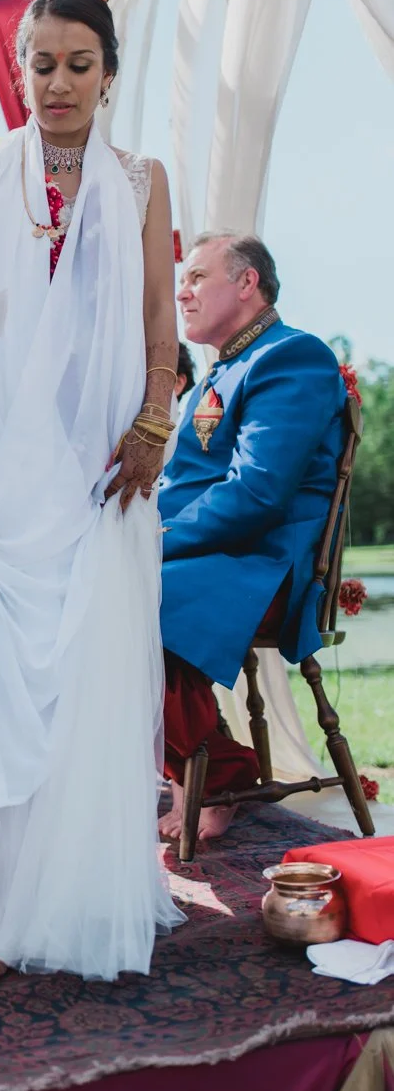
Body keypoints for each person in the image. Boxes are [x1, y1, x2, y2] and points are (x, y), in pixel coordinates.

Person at [0, 0, 185, 983]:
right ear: (16, 72)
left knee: (84, 682)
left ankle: (63, 901)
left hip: (102, 471)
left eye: (76, 63)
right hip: (1, 474)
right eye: (39, 65)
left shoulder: (141, 182)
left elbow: (158, 319)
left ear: (107, 73)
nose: (56, 83)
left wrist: (154, 420)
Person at [158, 233, 347, 841]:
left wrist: (149, 542)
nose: (181, 292)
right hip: (218, 556)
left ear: (247, 283)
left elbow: (256, 494)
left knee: (114, 599)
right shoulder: (231, 363)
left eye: (196, 277)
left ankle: (220, 774)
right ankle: (217, 768)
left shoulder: (291, 357)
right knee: (87, 589)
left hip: (262, 564)